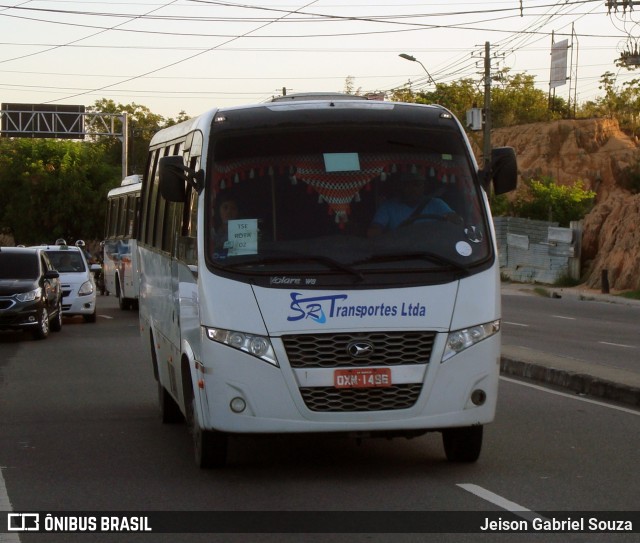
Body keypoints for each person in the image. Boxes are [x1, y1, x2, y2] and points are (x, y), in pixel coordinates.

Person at [367, 172, 458, 237]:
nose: (412, 189)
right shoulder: (388, 206)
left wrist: (452, 219)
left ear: (424, 186)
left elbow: (456, 221)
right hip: (399, 253)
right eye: (407, 185)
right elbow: (374, 231)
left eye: (416, 185)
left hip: (432, 251)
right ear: (401, 187)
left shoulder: (436, 204)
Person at [211, 191, 240, 257]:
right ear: (219, 210)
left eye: (233, 208)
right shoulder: (211, 234)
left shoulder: (243, 233)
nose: (229, 212)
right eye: (225, 207)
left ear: (237, 212)